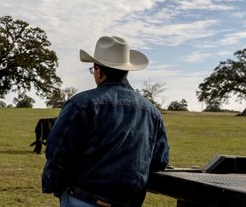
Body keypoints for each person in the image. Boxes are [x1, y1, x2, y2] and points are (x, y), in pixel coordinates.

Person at [42, 36, 170, 207]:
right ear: (127, 71)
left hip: (83, 198)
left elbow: (58, 154)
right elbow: (160, 160)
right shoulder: (152, 112)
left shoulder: (80, 104)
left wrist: (56, 186)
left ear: (99, 70)